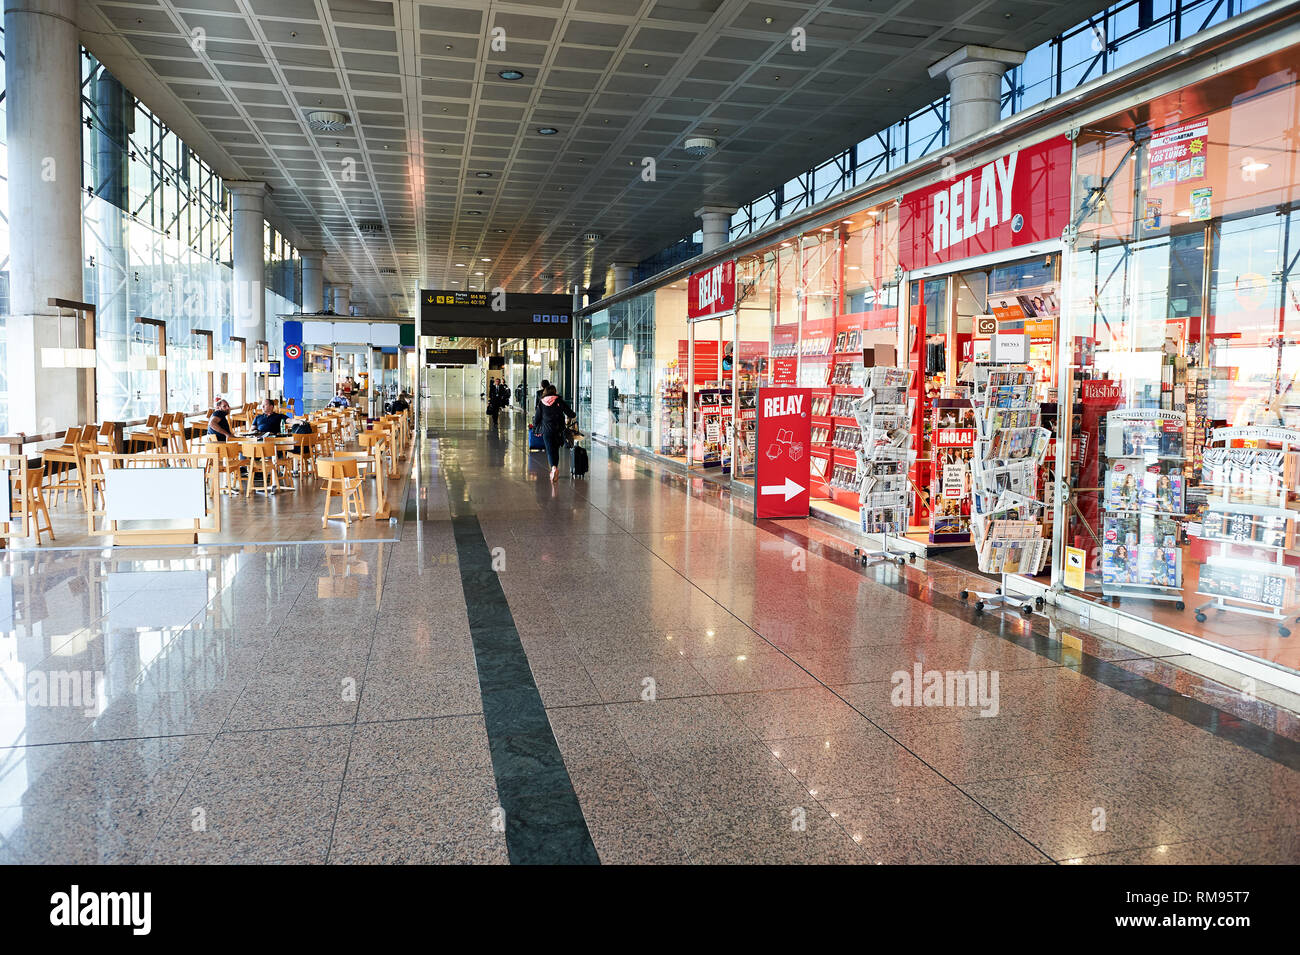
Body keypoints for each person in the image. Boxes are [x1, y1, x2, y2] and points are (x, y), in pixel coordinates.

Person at [533, 384, 575, 483]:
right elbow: (571, 413)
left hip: (547, 430)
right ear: (554, 391)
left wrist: (535, 429)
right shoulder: (559, 401)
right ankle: (555, 467)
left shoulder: (542, 402)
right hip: (559, 430)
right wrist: (573, 415)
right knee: (555, 449)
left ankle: (554, 468)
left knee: (550, 449)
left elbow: (537, 418)